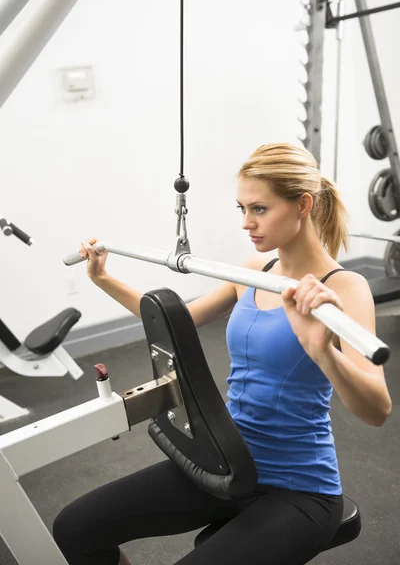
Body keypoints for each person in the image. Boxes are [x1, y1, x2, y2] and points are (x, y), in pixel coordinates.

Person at [53, 143, 392, 565]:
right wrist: (104, 279)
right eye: (241, 209)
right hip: (227, 464)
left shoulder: (343, 289)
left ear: (303, 204)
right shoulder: (254, 272)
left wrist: (321, 349)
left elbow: (377, 409)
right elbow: (174, 319)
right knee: (75, 528)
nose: (247, 223)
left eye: (260, 209)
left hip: (298, 487)